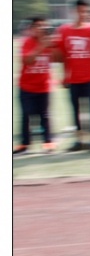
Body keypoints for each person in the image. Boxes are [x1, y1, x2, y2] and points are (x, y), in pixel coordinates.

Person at [54, 0, 90, 152]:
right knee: (75, 110)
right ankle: (79, 140)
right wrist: (65, 76)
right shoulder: (64, 30)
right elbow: (61, 56)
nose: (83, 14)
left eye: (85, 12)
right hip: (74, 77)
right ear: (73, 11)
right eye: (80, 11)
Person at [15, 17, 56, 154]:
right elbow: (28, 60)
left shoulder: (50, 42)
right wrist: (41, 46)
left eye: (44, 26)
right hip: (27, 86)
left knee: (45, 115)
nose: (42, 29)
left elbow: (58, 58)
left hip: (44, 86)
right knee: (26, 114)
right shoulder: (27, 42)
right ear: (32, 29)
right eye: (38, 26)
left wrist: (54, 45)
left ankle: (48, 142)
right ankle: (24, 143)